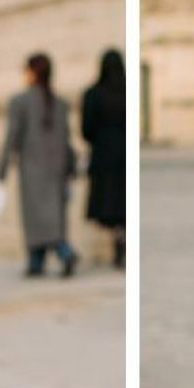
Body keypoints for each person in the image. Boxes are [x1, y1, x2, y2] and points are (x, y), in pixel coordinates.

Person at [0, 52, 78, 278]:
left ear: (32, 73)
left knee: (35, 218)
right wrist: (70, 168)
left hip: (32, 169)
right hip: (57, 169)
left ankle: (64, 251)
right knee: (53, 217)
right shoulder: (60, 102)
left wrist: (1, 168)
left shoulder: (20, 101)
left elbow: (12, 137)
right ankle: (36, 261)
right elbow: (67, 139)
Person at [83, 49, 127, 268]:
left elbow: (86, 129)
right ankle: (123, 239)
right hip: (125, 156)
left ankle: (119, 240)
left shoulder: (94, 94)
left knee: (111, 204)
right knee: (123, 203)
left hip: (104, 157)